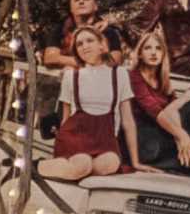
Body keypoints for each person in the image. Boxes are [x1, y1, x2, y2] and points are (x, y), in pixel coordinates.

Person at [39, 21, 130, 180]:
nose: (84, 46)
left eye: (90, 40)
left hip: (105, 140)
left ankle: (77, 170)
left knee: (110, 165)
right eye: (79, 44)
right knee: (83, 165)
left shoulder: (119, 74)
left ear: (102, 45)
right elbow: (66, 117)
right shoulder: (71, 76)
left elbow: (127, 121)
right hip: (76, 137)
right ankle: (37, 165)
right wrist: (61, 142)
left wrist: (136, 161)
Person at [126, 27, 190, 174]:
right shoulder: (133, 77)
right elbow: (155, 111)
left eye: (158, 49)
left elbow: (177, 111)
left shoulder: (163, 82)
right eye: (148, 48)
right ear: (140, 54)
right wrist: (181, 135)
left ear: (163, 55)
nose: (154, 52)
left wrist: (181, 138)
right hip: (142, 140)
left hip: (161, 137)